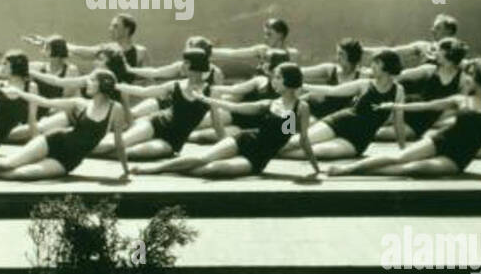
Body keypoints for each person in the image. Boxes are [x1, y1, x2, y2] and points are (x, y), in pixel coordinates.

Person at [134, 63, 320, 179]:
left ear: (289, 80)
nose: (273, 80)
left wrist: (315, 167)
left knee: (211, 170)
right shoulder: (269, 103)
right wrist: (207, 100)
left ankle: (174, 170)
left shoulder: (300, 107)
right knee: (202, 159)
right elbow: (235, 108)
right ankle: (153, 169)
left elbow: (298, 138)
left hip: (256, 158)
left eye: (278, 77)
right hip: (244, 139)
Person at [329, 61, 481, 177]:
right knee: (400, 157)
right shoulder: (460, 100)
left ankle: (364, 172)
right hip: (440, 140)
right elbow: (427, 106)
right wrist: (396, 106)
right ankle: (348, 170)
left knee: (412, 168)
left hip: (457, 158)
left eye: (470, 76)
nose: (466, 80)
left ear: (480, 80)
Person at [0, 69, 129, 181]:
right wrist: (21, 94)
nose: (87, 83)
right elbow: (44, 101)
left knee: (18, 175)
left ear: (102, 85)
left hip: (68, 160)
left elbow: (119, 143)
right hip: (55, 140)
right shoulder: (80, 104)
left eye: (92, 81)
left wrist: (125, 170)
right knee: (8, 163)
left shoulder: (116, 109)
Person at [90, 48, 222, 159]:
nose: (182, 65)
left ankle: (88, 151)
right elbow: (145, 91)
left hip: (171, 142)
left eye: (186, 62)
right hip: (154, 123)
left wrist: (225, 147)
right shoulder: (175, 85)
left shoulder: (211, 92)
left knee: (129, 153)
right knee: (116, 144)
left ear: (197, 64)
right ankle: (80, 150)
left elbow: (217, 124)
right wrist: (117, 86)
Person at [281, 49, 406, 160]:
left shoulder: (398, 91)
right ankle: (268, 149)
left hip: (357, 140)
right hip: (340, 122)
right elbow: (333, 91)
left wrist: (403, 151)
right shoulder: (365, 84)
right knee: (296, 142)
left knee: (319, 152)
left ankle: (273, 152)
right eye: (373, 62)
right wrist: (303, 86)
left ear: (388, 66)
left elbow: (398, 124)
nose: (372, 66)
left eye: (377, 63)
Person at [379, 37, 468, 140]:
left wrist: (436, 122)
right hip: (407, 107)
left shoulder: (462, 79)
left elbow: (460, 107)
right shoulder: (430, 70)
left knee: (379, 134)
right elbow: (399, 76)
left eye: (439, 50)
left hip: (421, 124)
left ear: (447, 53)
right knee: (370, 125)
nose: (435, 53)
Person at [25, 14, 149, 72]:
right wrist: (48, 43)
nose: (110, 29)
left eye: (115, 26)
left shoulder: (141, 52)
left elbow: (148, 81)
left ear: (127, 30)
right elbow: (80, 51)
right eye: (111, 25)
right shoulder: (105, 49)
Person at [211, 17, 299, 65]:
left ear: (280, 35)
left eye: (269, 34)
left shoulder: (292, 54)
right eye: (265, 34)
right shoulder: (262, 50)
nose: (265, 37)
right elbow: (234, 54)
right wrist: (209, 50)